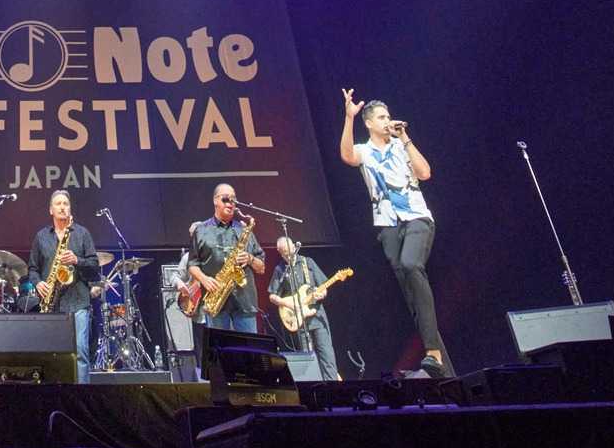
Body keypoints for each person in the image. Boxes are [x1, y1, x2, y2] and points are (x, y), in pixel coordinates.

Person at [340, 87, 452, 377]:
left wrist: (405, 138)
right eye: (381, 117)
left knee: (411, 264)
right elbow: (347, 156)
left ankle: (433, 353)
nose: (387, 121)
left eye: (388, 116)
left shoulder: (402, 145)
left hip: (416, 217)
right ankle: (441, 366)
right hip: (388, 224)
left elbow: (425, 173)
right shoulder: (365, 151)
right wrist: (349, 118)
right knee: (412, 298)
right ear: (369, 123)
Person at [26, 189, 100, 383]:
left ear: (70, 209)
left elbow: (95, 267)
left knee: (81, 352)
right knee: (52, 354)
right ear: (51, 210)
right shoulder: (41, 237)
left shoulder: (82, 233)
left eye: (65, 204)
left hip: (78, 301)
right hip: (51, 304)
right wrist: (38, 282)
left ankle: (82, 394)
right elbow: (32, 268)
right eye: (58, 204)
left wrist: (77, 260)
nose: (62, 207)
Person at [186, 182, 265, 335]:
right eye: (225, 199)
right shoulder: (201, 230)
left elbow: (261, 267)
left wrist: (250, 258)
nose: (230, 203)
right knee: (220, 349)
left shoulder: (244, 229)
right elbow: (192, 264)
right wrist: (204, 279)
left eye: (233, 200)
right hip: (216, 302)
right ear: (215, 201)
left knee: (249, 348)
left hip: (245, 302)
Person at [267, 236, 340, 380]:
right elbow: (272, 296)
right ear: (280, 252)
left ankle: (332, 385)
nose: (289, 256)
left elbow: (323, 287)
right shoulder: (280, 269)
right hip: (299, 321)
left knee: (326, 355)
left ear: (294, 247)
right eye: (285, 254)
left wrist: (322, 294)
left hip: (317, 316)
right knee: (307, 359)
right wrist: (287, 303)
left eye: (290, 252)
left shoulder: (308, 262)